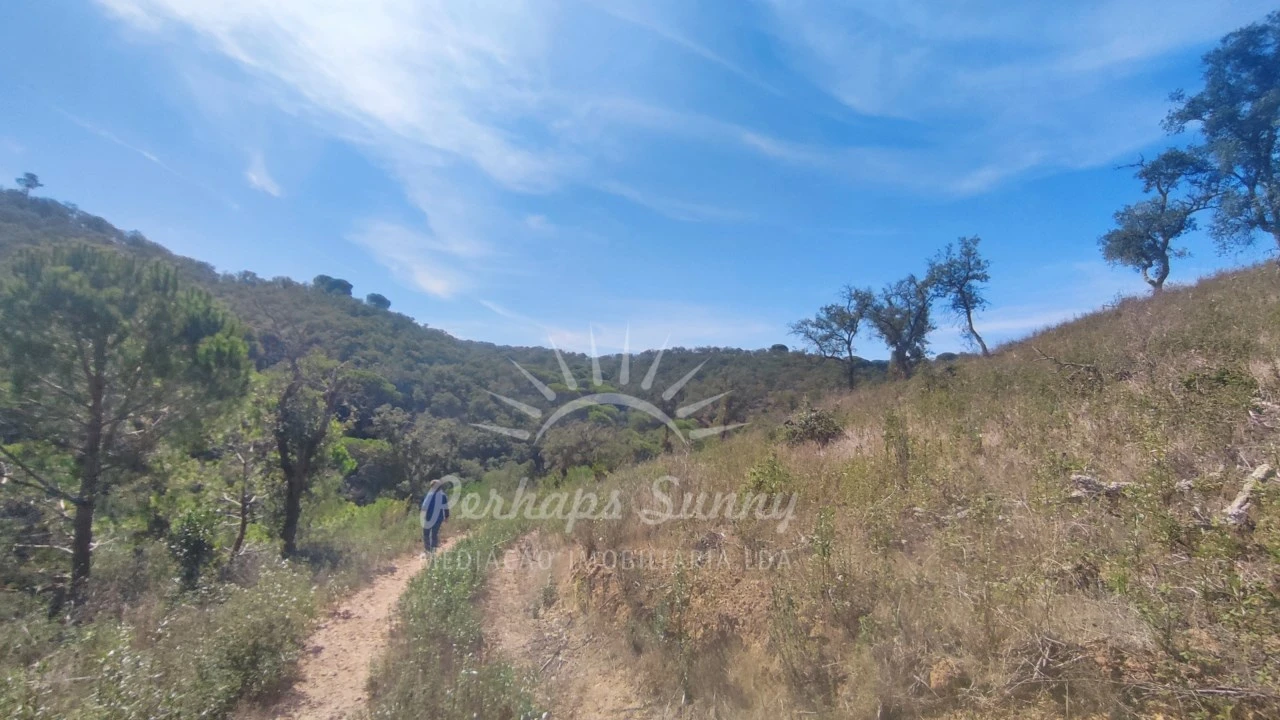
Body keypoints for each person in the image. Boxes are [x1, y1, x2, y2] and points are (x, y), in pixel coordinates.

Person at [420, 479, 450, 554]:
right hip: (438, 518)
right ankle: (433, 551)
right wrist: (446, 517)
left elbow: (424, 506)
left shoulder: (429, 495)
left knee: (426, 533)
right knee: (434, 534)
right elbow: (446, 508)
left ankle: (428, 550)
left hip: (428, 517)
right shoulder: (443, 495)